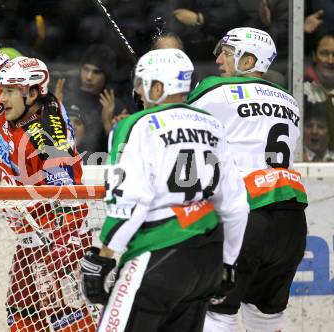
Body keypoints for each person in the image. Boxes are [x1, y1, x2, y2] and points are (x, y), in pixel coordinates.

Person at [0, 1, 95, 331]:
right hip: (27, 233)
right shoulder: (8, 88)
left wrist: (64, 247)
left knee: (63, 316)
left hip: (52, 238)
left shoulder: (48, 132)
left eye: (11, 91)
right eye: (3, 88)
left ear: (33, 95)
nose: (1, 98)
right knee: (20, 311)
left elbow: (69, 197)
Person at [80, 48, 249, 332]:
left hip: (159, 255)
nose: (138, 93)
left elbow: (131, 201)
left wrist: (103, 257)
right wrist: (227, 264)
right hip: (207, 257)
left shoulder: (137, 125)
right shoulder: (213, 125)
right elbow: (236, 206)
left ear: (158, 87)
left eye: (141, 85)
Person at [186, 27, 308, 332]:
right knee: (266, 317)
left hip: (246, 217)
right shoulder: (290, 101)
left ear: (248, 59)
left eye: (226, 53)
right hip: (291, 222)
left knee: (217, 314)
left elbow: (176, 126)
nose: (218, 61)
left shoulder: (214, 90)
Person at [55, 44, 129, 162]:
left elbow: (121, 154)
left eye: (96, 72)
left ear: (106, 76)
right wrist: (51, 110)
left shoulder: (114, 106)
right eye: (86, 69)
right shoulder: (65, 98)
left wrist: (107, 123)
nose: (89, 77)